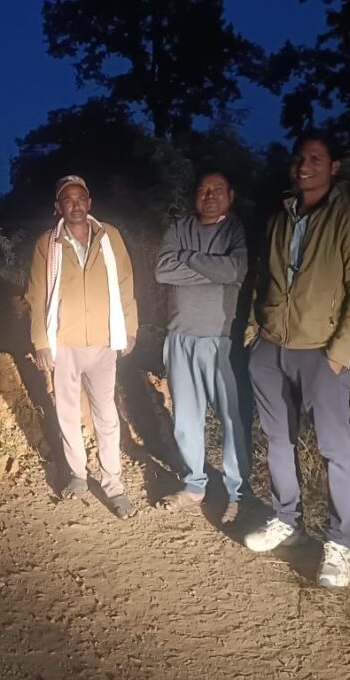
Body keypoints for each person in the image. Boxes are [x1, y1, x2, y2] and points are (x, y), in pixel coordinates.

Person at [243, 133, 350, 588]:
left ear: (334, 166)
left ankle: (340, 544)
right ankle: (287, 520)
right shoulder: (280, 218)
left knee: (334, 448)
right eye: (300, 158)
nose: (305, 166)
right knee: (277, 440)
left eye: (316, 158)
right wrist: (254, 331)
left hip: (322, 352)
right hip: (270, 348)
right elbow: (263, 278)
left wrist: (338, 355)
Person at [26, 175, 139, 519]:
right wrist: (41, 341)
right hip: (64, 342)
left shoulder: (109, 237)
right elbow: (37, 294)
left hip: (103, 341)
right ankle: (77, 475)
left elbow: (125, 283)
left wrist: (130, 328)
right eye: (68, 200)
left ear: (89, 203)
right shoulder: (48, 243)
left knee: (106, 414)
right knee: (67, 413)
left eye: (80, 199)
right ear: (58, 207)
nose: (75, 205)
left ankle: (113, 484)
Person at [154, 171, 251, 524]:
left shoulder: (235, 230)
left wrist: (187, 258)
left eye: (217, 190)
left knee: (231, 418)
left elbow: (235, 269)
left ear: (231, 195)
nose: (209, 196)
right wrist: (215, 270)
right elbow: (163, 270)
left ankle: (237, 493)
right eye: (203, 190)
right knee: (186, 419)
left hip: (219, 338)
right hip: (179, 336)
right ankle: (194, 485)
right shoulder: (180, 227)